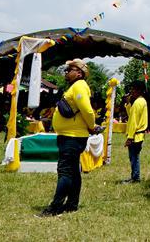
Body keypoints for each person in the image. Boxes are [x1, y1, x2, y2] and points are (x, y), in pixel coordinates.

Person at [39, 59, 96, 217]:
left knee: (65, 171)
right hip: (71, 136)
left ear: (79, 73)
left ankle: (55, 207)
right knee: (73, 171)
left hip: (72, 137)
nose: (66, 72)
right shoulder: (76, 86)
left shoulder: (79, 86)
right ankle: (71, 204)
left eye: (69, 69)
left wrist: (91, 126)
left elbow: (87, 110)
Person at [122, 81, 148, 183]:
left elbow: (133, 121)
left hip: (136, 135)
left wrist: (130, 137)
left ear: (139, 90)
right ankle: (134, 176)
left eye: (133, 89)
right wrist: (128, 104)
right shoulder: (141, 101)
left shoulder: (138, 103)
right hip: (138, 135)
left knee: (134, 158)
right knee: (134, 157)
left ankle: (135, 177)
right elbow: (131, 115)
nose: (131, 91)